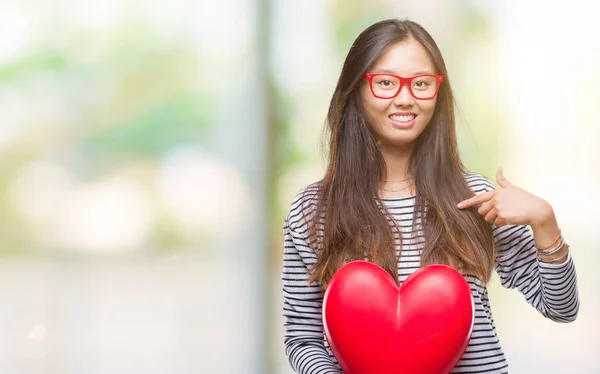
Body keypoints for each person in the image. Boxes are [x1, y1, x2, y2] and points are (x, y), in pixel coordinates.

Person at [281, 18, 579, 374]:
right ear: (356, 89)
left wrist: (545, 221)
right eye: (386, 83)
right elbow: (303, 339)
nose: (405, 99)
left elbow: (561, 308)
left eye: (421, 84)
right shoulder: (313, 211)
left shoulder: (478, 199)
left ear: (438, 93)